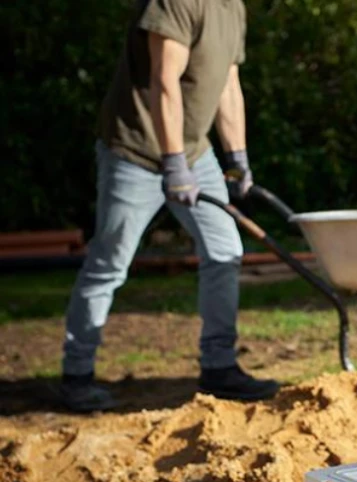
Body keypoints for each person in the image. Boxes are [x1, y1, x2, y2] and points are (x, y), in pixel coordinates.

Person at [60, 0, 279, 411]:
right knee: (110, 262)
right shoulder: (176, 2)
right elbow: (165, 79)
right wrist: (173, 162)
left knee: (225, 252)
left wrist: (237, 159)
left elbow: (228, 85)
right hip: (136, 151)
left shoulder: (232, 7)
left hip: (196, 153)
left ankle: (219, 366)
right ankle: (77, 374)